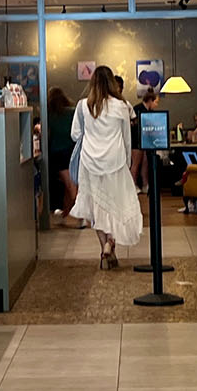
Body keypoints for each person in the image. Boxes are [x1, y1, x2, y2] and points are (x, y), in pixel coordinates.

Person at [70, 66, 143, 268]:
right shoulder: (121, 106)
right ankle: (111, 242)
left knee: (97, 208)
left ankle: (104, 247)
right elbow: (126, 137)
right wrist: (128, 162)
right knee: (116, 206)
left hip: (89, 163)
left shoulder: (83, 105)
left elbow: (75, 135)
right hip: (115, 162)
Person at [46, 86, 77, 218]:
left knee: (70, 186)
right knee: (70, 185)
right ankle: (66, 214)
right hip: (72, 151)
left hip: (58, 154)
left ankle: (80, 216)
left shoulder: (49, 115)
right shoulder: (73, 112)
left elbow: (47, 134)